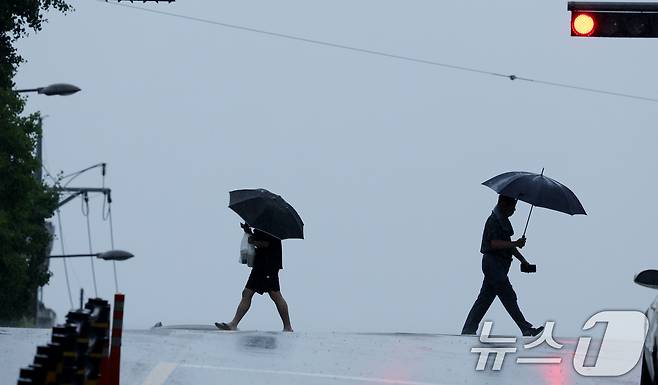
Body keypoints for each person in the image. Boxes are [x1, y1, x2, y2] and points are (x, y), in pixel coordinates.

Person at [461, 194, 544, 337]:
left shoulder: (502, 221)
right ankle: (525, 328)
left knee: (485, 299)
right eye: (513, 207)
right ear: (504, 205)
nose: (514, 210)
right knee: (508, 295)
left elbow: (509, 247)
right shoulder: (493, 220)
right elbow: (494, 243)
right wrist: (515, 243)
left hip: (498, 266)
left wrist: (523, 260)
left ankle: (468, 329)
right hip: (493, 265)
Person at [216, 223, 293, 332]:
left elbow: (266, 243)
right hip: (261, 264)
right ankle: (233, 323)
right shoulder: (264, 224)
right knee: (247, 293)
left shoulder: (271, 225)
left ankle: (288, 327)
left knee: (275, 294)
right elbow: (261, 239)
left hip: (268, 265)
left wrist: (252, 241)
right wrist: (249, 232)